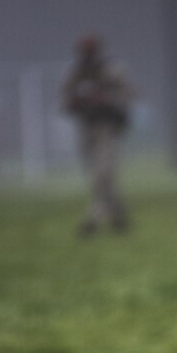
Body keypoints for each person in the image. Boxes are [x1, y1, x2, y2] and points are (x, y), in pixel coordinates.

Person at [63, 34, 133, 235]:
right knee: (97, 174)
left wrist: (106, 101)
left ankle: (93, 217)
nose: (87, 54)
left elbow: (126, 95)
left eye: (90, 50)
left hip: (106, 127)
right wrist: (79, 102)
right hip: (85, 127)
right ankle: (119, 214)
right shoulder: (75, 73)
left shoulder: (112, 70)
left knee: (103, 172)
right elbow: (66, 101)